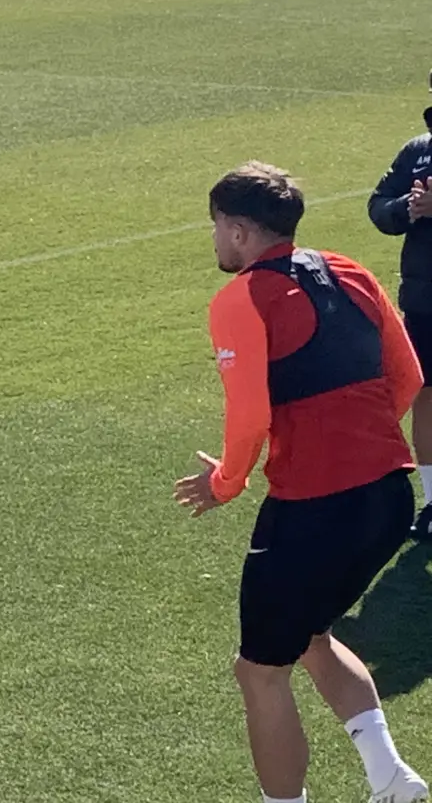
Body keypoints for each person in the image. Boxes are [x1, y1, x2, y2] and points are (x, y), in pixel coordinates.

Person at [177, 161, 425, 803]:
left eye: (215, 228)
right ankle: (391, 778)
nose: (214, 240)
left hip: (316, 508)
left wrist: (225, 484)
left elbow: (251, 416)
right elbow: (407, 377)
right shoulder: (349, 269)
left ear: (236, 230)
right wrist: (357, 437)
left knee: (259, 671)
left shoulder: (239, 300)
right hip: (390, 495)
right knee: (311, 633)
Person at [366, 73, 432, 539]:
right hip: (425, 300)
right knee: (425, 398)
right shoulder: (418, 150)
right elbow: (378, 204)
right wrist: (405, 211)